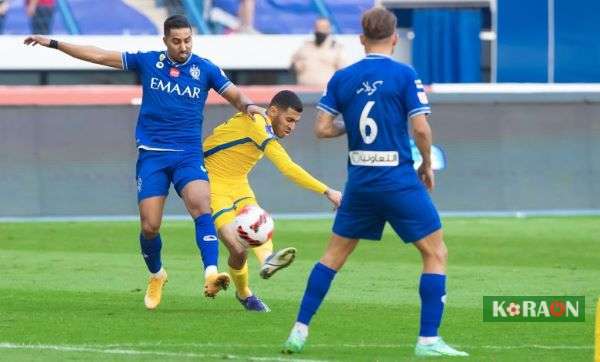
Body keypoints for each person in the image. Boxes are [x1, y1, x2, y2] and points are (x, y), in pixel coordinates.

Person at [24, 15, 266, 310]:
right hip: (153, 154)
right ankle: (157, 274)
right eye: (176, 41)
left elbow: (236, 96)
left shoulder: (205, 69)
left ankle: (211, 273)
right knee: (150, 226)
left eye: (188, 40)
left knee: (201, 205)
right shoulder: (148, 62)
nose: (183, 46)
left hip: (188, 154)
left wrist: (249, 104)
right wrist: (53, 43)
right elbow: (99, 55)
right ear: (165, 41)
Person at [282, 7, 468, 357]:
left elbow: (322, 128)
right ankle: (428, 340)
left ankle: (299, 329)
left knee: (332, 257)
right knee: (435, 253)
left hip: (361, 182)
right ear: (395, 38)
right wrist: (425, 164)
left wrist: (349, 124)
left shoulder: (342, 78)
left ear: (361, 39)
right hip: (397, 178)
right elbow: (421, 128)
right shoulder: (404, 75)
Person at [203, 90, 342, 312]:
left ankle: (264, 265)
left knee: (258, 225)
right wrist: (327, 191)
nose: (291, 127)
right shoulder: (258, 123)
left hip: (238, 184)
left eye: (296, 122)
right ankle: (246, 290)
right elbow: (287, 167)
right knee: (238, 249)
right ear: (273, 111)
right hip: (213, 184)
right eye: (289, 120)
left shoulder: (263, 125)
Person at [291, 18, 347, 88]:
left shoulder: (337, 48)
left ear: (329, 29)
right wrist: (296, 65)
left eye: (323, 27)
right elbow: (293, 63)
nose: (320, 30)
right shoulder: (305, 46)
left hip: (326, 92)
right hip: (304, 91)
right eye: (317, 27)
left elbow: (342, 73)